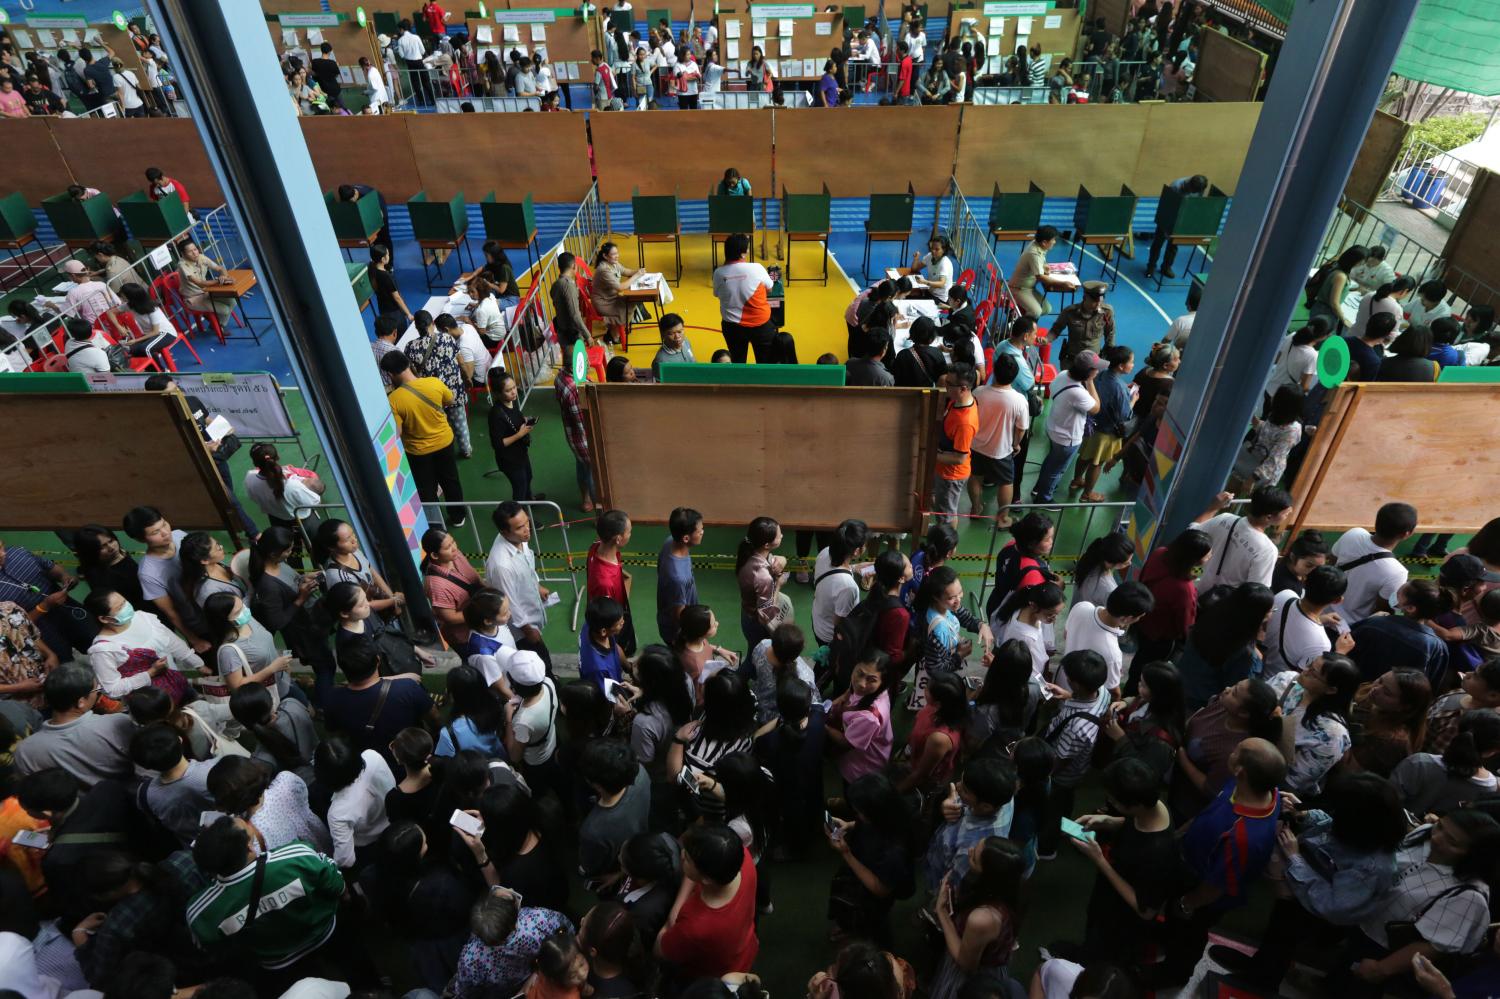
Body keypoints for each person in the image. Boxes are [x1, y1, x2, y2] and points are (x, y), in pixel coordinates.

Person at [1153, 738, 1285, 987]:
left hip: (1202, 892)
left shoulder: (1245, 837)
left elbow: (1216, 886)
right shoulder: (1251, 787)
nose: (1231, 751)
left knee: (1189, 933)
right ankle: (1169, 935)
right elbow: (1209, 812)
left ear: (1241, 771)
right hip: (1189, 862)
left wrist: (1187, 903)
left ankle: (1174, 974)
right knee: (1175, 924)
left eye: (1236, 750)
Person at [1330, 811, 1499, 998]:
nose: (1436, 838)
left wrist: (1382, 969)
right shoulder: (1424, 834)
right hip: (1364, 924)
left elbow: (1433, 945)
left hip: (1385, 950)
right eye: (1440, 826)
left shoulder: (1468, 896)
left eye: (1452, 842)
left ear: (1474, 854)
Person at [187, 815, 355, 985]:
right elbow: (335, 882)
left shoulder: (200, 913)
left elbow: (215, 948)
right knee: (355, 969)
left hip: (278, 963)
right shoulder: (295, 858)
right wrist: (346, 898)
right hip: (325, 932)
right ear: (249, 849)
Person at [656, 824, 759, 982]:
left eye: (688, 859)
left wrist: (671, 924)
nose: (682, 854)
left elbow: (660, 949)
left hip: (711, 976)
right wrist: (678, 905)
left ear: (707, 879)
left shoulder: (696, 927)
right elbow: (695, 874)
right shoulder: (739, 857)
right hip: (743, 949)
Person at [824, 772, 916, 948]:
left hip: (873, 897)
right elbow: (868, 825)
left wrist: (846, 853)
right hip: (864, 871)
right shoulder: (892, 816)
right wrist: (848, 825)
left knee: (874, 922)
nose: (857, 814)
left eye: (860, 811)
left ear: (875, 811)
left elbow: (879, 889)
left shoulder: (894, 853)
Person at [928, 837, 1025, 999]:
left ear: (988, 875)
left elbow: (966, 964)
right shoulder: (1014, 885)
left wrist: (942, 912)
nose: (970, 851)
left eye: (974, 858)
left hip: (973, 980)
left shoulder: (983, 918)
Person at [381, 349, 466, 527]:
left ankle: (436, 524)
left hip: (418, 452)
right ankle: (458, 517)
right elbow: (450, 400)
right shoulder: (434, 383)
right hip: (445, 442)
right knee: (451, 480)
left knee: (426, 490)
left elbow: (398, 432)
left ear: (390, 374)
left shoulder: (394, 399)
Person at [13, 664, 136, 786]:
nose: (98, 694)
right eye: (96, 690)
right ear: (81, 702)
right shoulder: (117, 724)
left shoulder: (25, 751)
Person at [577, 739, 651, 895]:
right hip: (637, 848)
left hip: (614, 866)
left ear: (596, 785)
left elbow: (589, 866)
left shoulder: (594, 830)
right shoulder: (641, 774)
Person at [1393, 709, 1500, 816]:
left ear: (1458, 732)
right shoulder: (1490, 790)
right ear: (1493, 751)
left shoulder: (1420, 763)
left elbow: (1387, 799)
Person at [486, 502, 554, 667]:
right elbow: (510, 605)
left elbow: (526, 564)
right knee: (538, 663)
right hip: (521, 629)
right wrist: (528, 631)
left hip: (531, 613)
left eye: (527, 523)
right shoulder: (501, 566)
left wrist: (537, 586)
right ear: (504, 532)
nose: (526, 529)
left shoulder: (519, 538)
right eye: (519, 527)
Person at [1031, 352, 1104, 503]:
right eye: (1096, 369)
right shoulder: (1078, 393)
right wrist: (1090, 382)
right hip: (1067, 437)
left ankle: (1039, 488)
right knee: (1057, 470)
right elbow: (1096, 408)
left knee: (1051, 461)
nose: (1098, 371)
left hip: (1054, 428)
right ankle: (1044, 498)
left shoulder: (1064, 374)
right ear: (1088, 372)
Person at [1192, 485, 1293, 591]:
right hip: (1219, 605)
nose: (1289, 513)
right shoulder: (1267, 550)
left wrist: (1213, 508)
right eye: (1285, 513)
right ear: (1268, 517)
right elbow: (1255, 592)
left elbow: (1192, 532)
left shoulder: (1225, 519)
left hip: (1194, 585)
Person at [1349, 580, 1451, 683]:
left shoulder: (1373, 624)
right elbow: (1430, 685)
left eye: (1398, 594)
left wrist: (1372, 620)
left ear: (1410, 608)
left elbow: (1346, 647)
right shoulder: (1437, 648)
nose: (1395, 595)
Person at [130, 722, 217, 844]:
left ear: (145, 765)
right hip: (236, 835)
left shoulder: (144, 795)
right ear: (180, 740)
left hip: (194, 847)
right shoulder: (215, 771)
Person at [967, 354, 1029, 524]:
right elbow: (1021, 428)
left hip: (976, 446)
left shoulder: (978, 392)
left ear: (993, 370)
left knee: (975, 476)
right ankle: (1003, 517)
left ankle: (975, 508)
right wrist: (1016, 444)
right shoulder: (1019, 400)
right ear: (1015, 376)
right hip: (1001, 450)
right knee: (1006, 482)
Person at [1332, 501, 1417, 623]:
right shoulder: (1397, 572)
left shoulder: (1353, 533)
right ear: (1407, 534)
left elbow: (1331, 562)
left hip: (1321, 609)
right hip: (1348, 626)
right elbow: (1382, 611)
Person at [825, 652, 896, 787]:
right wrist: (833, 705)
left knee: (852, 792)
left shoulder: (869, 718)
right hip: (863, 744)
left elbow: (846, 743)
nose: (862, 684)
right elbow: (849, 693)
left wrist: (823, 724)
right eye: (860, 673)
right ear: (855, 666)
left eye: (871, 680)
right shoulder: (867, 689)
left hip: (863, 766)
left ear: (882, 682)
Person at [712, 233, 775, 363]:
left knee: (738, 362)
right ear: (742, 254)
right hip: (761, 324)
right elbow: (770, 288)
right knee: (765, 363)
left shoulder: (718, 273)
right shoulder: (757, 268)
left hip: (732, 327)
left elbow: (717, 294)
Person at [933, 362, 980, 522]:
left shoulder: (965, 423)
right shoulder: (957, 401)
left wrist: (932, 454)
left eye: (949, 384)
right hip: (942, 469)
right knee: (942, 510)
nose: (945, 385)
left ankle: (947, 546)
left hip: (951, 476)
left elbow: (960, 458)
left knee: (947, 516)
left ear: (963, 389)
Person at [1143, 174, 1208, 278]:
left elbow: (1195, 203)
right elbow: (1167, 207)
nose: (1193, 193)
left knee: (1173, 245)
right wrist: (1166, 229)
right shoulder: (1175, 187)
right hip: (1167, 215)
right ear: (1190, 184)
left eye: (1196, 192)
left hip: (1181, 218)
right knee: (1158, 243)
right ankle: (1151, 267)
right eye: (1192, 190)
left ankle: (1166, 267)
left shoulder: (1198, 188)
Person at [656, 507, 702, 645]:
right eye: (699, 531)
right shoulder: (677, 578)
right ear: (686, 538)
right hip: (677, 633)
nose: (702, 533)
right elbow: (679, 617)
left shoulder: (671, 541)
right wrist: (689, 639)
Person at [1007, 226, 1062, 320]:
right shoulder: (1034, 254)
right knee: (1036, 312)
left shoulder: (1037, 244)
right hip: (1018, 289)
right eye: (1053, 240)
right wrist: (1062, 283)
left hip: (1029, 287)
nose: (1054, 242)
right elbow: (1040, 277)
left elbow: (1039, 264)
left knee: (1046, 309)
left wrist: (1044, 267)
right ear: (1044, 242)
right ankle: (1019, 327)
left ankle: (1021, 318)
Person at [650, 312, 695, 380]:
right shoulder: (661, 361)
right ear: (662, 335)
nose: (677, 337)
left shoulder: (685, 341)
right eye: (671, 333)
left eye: (680, 332)